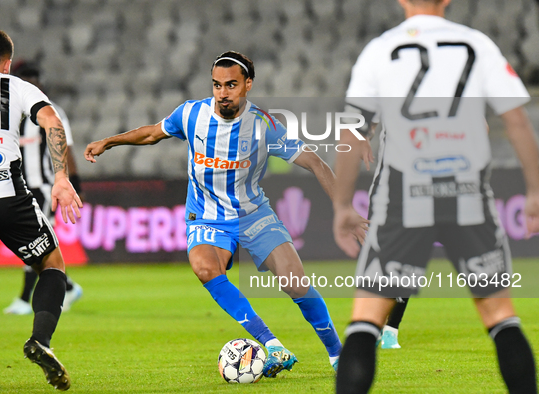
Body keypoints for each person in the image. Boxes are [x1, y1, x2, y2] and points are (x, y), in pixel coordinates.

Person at [85, 51, 367, 376]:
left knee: (296, 283)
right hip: (206, 217)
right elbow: (151, 133)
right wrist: (110, 141)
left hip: (253, 213)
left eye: (231, 85)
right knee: (205, 268)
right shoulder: (191, 114)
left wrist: (344, 208)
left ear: (248, 85)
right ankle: (271, 344)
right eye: (217, 85)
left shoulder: (264, 125)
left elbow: (315, 162)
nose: (222, 93)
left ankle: (336, 354)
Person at [333, 0, 539, 393]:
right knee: (501, 317)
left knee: (364, 321)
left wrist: (343, 205)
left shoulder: (380, 50)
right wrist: (535, 190)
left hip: (403, 195)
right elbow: (516, 121)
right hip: (467, 193)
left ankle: (383, 333)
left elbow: (352, 131)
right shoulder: (477, 45)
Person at [0, 29, 82, 393]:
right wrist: (60, 178)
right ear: (7, 65)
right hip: (9, 192)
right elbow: (52, 122)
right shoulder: (17, 86)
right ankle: (40, 340)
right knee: (52, 265)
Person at [3, 60, 83, 316]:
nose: (33, 84)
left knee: (35, 240)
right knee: (33, 243)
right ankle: (68, 286)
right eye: (27, 79)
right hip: (18, 187)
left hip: (45, 188)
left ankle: (26, 299)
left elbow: (66, 148)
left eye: (35, 79)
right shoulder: (10, 113)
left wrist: (74, 183)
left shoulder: (52, 111)